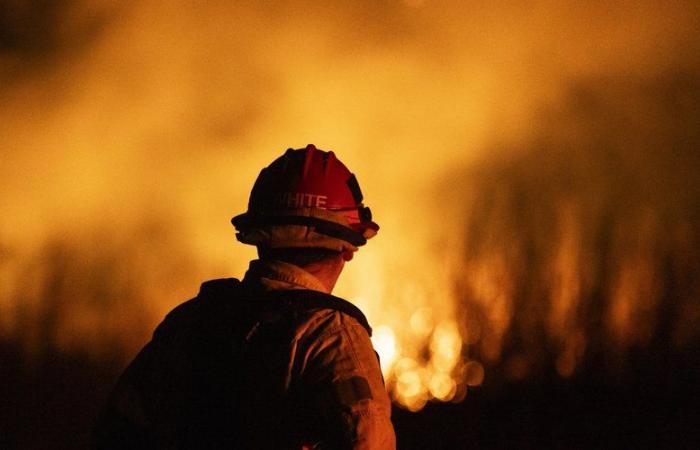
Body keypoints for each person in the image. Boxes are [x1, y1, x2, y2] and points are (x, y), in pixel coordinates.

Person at [94, 144, 396, 449]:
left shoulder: (189, 323)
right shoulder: (332, 336)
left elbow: (117, 431)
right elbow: (369, 440)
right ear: (347, 249)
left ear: (259, 237)